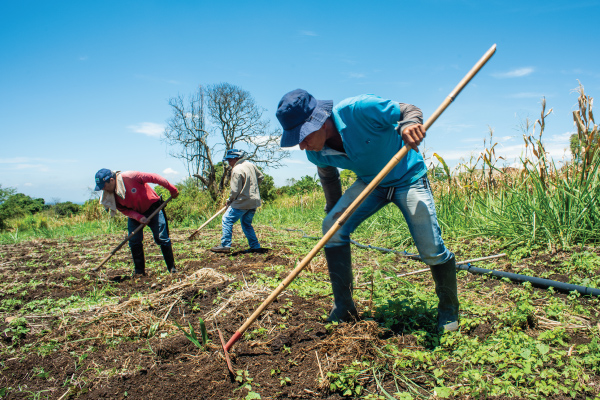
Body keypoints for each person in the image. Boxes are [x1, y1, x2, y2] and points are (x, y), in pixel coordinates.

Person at [275, 89, 459, 332]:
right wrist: (335, 213)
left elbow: (409, 110)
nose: (301, 145)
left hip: (408, 177)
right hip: (371, 184)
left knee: (430, 246)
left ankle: (448, 308)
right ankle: (344, 308)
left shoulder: (359, 109)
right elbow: (328, 176)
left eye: (302, 136)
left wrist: (408, 125)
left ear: (318, 121)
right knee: (331, 227)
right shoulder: (315, 153)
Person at [94, 169, 179, 275]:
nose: (103, 189)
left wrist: (172, 189)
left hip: (153, 208)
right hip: (135, 214)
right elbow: (123, 209)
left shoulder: (131, 176)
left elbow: (155, 177)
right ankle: (139, 272)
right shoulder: (110, 196)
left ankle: (172, 269)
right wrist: (138, 217)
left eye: (104, 186)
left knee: (162, 237)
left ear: (111, 180)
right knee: (134, 240)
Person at [211, 149, 264, 254]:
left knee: (227, 219)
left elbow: (235, 190)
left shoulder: (236, 169)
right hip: (254, 201)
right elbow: (261, 177)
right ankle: (255, 246)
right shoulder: (250, 165)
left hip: (242, 202)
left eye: (229, 160)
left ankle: (225, 245)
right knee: (246, 223)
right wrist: (251, 187)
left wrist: (229, 200)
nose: (228, 163)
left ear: (236, 158)